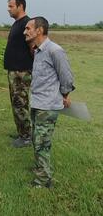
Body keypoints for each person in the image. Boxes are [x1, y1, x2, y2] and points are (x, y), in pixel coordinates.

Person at [24, 16, 75, 188]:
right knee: (36, 139)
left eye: (28, 28)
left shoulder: (55, 50)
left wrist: (65, 95)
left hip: (48, 106)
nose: (25, 31)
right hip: (37, 102)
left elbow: (66, 77)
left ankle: (43, 181)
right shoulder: (38, 50)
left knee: (42, 143)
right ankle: (41, 169)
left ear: (39, 30)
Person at [4, 0, 33, 148]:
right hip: (14, 71)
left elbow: (33, 47)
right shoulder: (17, 23)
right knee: (16, 103)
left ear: (20, 6)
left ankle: (27, 137)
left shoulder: (27, 23)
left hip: (21, 72)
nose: (8, 9)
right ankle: (22, 131)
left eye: (11, 6)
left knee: (20, 103)